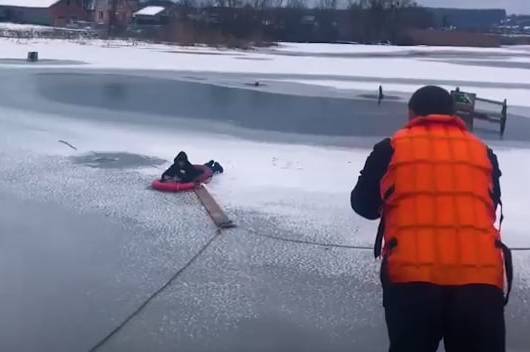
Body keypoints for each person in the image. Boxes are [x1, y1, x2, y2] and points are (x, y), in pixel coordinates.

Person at [351, 86, 512, 352]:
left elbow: (363, 205)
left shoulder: (390, 148)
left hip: (412, 280)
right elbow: (490, 206)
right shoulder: (483, 152)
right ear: (453, 114)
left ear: (411, 114)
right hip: (480, 279)